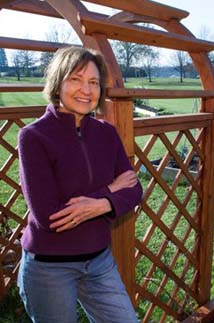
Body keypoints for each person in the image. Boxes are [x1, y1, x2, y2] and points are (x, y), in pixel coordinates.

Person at [17, 46, 143, 323]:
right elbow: (50, 217)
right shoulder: (34, 137)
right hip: (50, 267)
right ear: (58, 82)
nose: (86, 90)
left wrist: (97, 204)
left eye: (94, 82)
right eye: (76, 79)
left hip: (99, 261)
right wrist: (109, 193)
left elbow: (134, 189)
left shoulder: (106, 133)